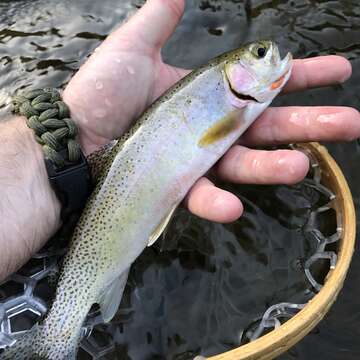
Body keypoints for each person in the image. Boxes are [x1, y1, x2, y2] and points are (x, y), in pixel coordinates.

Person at [0, 0, 359, 282]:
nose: (270, 55)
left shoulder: (236, 102)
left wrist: (43, 153)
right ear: (234, 75)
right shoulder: (231, 104)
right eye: (259, 55)